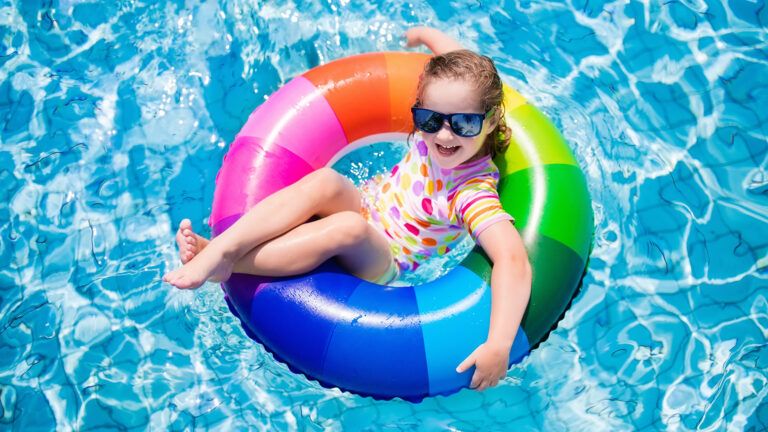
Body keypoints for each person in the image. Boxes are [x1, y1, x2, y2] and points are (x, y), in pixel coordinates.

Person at [163, 26, 532, 391]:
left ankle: (228, 261)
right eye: (430, 120)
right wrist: (429, 35)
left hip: (383, 257)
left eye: (464, 123)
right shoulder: (447, 113)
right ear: (419, 111)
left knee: (347, 228)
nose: (444, 135)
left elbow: (513, 260)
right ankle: (227, 245)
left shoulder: (471, 191)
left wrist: (499, 343)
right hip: (366, 204)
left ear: (492, 119)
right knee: (326, 182)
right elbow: (453, 68)